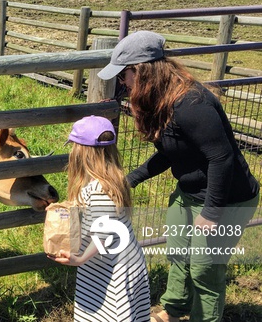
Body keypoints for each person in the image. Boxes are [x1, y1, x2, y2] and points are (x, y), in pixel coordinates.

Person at [98, 31, 260, 322]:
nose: (123, 83)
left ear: (142, 70)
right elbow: (171, 152)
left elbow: (221, 158)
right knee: (178, 252)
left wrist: (211, 213)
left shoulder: (192, 104)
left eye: (124, 75)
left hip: (227, 198)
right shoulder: (162, 101)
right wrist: (130, 179)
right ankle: (174, 309)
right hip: (190, 191)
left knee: (204, 268)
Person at [49, 115, 151, 321]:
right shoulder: (114, 179)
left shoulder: (98, 188)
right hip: (122, 261)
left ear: (83, 151)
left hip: (110, 270)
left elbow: (104, 232)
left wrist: (79, 259)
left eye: (74, 147)